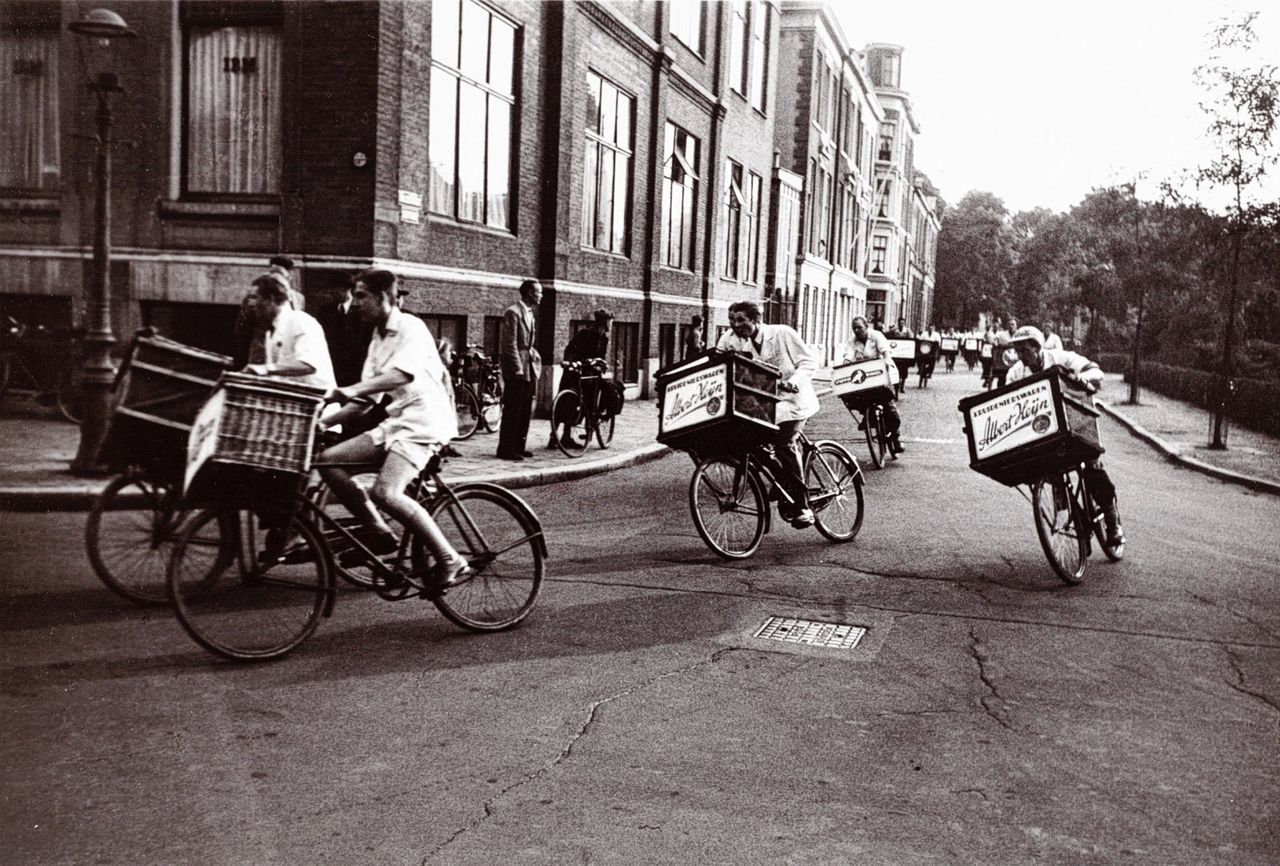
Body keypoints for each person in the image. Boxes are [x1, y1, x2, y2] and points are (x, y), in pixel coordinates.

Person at [315, 268, 471, 591]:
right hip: (398, 422)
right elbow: (366, 402)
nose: (355, 303)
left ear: (383, 298)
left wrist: (352, 389)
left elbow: (402, 376)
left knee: (386, 492)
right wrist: (322, 422)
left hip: (425, 422)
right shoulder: (376, 338)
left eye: (361, 296)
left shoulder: (411, 327)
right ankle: (377, 531)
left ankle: (450, 558)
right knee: (329, 461)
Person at [1005, 325, 1124, 546]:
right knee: (1048, 467)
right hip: (1044, 428)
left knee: (1092, 465)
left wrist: (1080, 378)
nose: (1021, 356)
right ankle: (1077, 519)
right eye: (1018, 351)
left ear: (1037, 347)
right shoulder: (1015, 373)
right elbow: (1008, 402)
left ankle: (1112, 519)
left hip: (1077, 420)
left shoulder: (1061, 358)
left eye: (1025, 350)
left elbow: (1096, 372)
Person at [716, 301, 819, 528]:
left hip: (792, 402)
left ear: (757, 319)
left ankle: (803, 505)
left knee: (784, 443)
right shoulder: (729, 340)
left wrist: (793, 383)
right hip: (760, 406)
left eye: (741, 319)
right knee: (747, 443)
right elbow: (717, 365)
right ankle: (782, 478)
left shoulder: (782, 334)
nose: (735, 325)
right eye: (732, 320)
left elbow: (809, 362)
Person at [240, 271, 336, 390]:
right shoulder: (272, 330)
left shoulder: (301, 321)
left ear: (271, 299)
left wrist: (264, 368)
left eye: (255, 297)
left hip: (318, 403)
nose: (251, 303)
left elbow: (309, 365)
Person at [841, 316, 904, 455]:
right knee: (853, 397)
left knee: (889, 408)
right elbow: (848, 355)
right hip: (865, 376)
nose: (857, 330)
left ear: (866, 327)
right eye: (854, 328)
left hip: (881, 373)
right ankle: (867, 415)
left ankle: (895, 437)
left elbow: (885, 351)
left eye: (859, 327)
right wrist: (844, 367)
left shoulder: (876, 335)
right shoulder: (852, 341)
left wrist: (886, 361)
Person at [496, 279, 543, 461]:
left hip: (528, 366)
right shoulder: (513, 312)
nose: (541, 295)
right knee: (513, 409)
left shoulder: (529, 313)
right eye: (538, 292)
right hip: (518, 368)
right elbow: (509, 343)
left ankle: (519, 446)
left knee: (524, 409)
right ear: (529, 293)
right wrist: (516, 368)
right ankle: (506, 449)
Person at [316, 276, 375, 387]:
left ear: (346, 290)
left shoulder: (361, 310)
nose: (332, 293)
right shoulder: (325, 310)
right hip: (333, 366)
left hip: (355, 368)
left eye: (335, 289)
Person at [991, 314, 1017, 389]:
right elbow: (992, 339)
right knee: (1002, 380)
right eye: (1009, 324)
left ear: (1016, 325)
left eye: (1013, 324)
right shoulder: (1002, 334)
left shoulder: (1020, 334)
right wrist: (995, 343)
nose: (1011, 326)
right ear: (1007, 326)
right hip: (1003, 362)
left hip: (1016, 362)